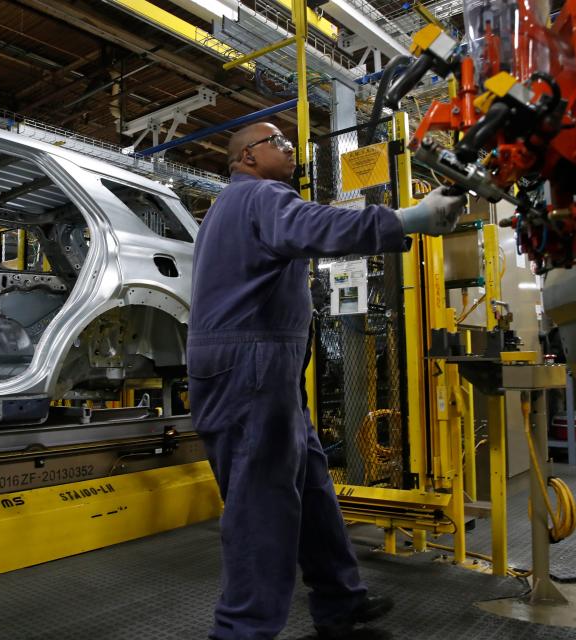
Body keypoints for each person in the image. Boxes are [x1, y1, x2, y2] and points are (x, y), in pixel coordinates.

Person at [187, 122, 466, 640]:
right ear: (247, 156)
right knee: (261, 502)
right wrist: (410, 218)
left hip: (259, 364)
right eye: (280, 143)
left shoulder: (228, 208)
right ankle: (241, 632)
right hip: (252, 363)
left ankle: (340, 602)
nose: (291, 151)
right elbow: (317, 227)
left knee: (312, 486)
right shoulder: (263, 196)